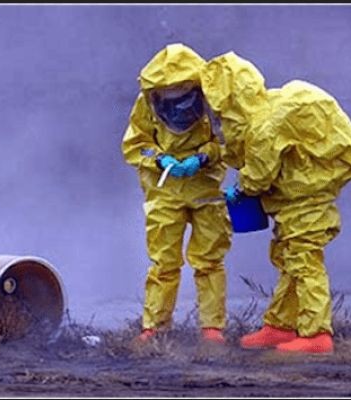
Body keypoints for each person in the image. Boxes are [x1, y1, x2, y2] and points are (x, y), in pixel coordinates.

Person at [200, 51, 351, 354]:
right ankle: (280, 326)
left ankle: (316, 334)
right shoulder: (267, 112)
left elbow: (260, 175)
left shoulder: (264, 127)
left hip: (306, 201)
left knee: (304, 262)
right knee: (290, 261)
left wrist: (241, 188)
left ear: (231, 102)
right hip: (296, 200)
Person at [121, 43, 232, 345]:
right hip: (165, 191)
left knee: (209, 260)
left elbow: (229, 140)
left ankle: (212, 328)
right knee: (163, 263)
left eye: (182, 98)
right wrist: (159, 158)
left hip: (205, 186)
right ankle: (155, 327)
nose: (175, 108)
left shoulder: (212, 99)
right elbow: (134, 143)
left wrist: (204, 157)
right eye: (168, 100)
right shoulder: (147, 102)